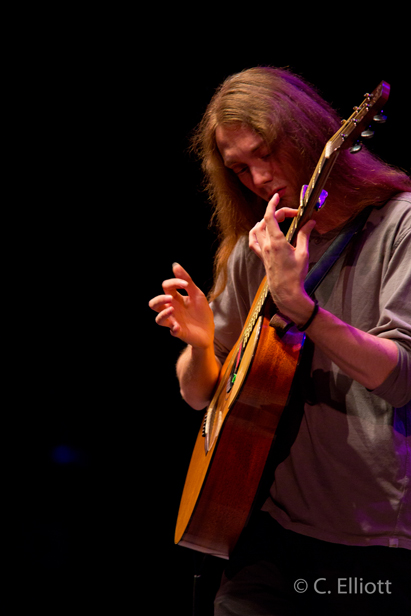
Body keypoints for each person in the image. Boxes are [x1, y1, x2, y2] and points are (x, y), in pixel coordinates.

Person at [149, 67, 411, 615]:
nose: (259, 178)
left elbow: (402, 377)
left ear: (310, 138)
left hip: (370, 536)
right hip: (266, 527)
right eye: (240, 168)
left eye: (266, 154)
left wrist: (302, 309)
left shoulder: (399, 226)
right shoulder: (259, 246)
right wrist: (200, 345)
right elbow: (200, 396)